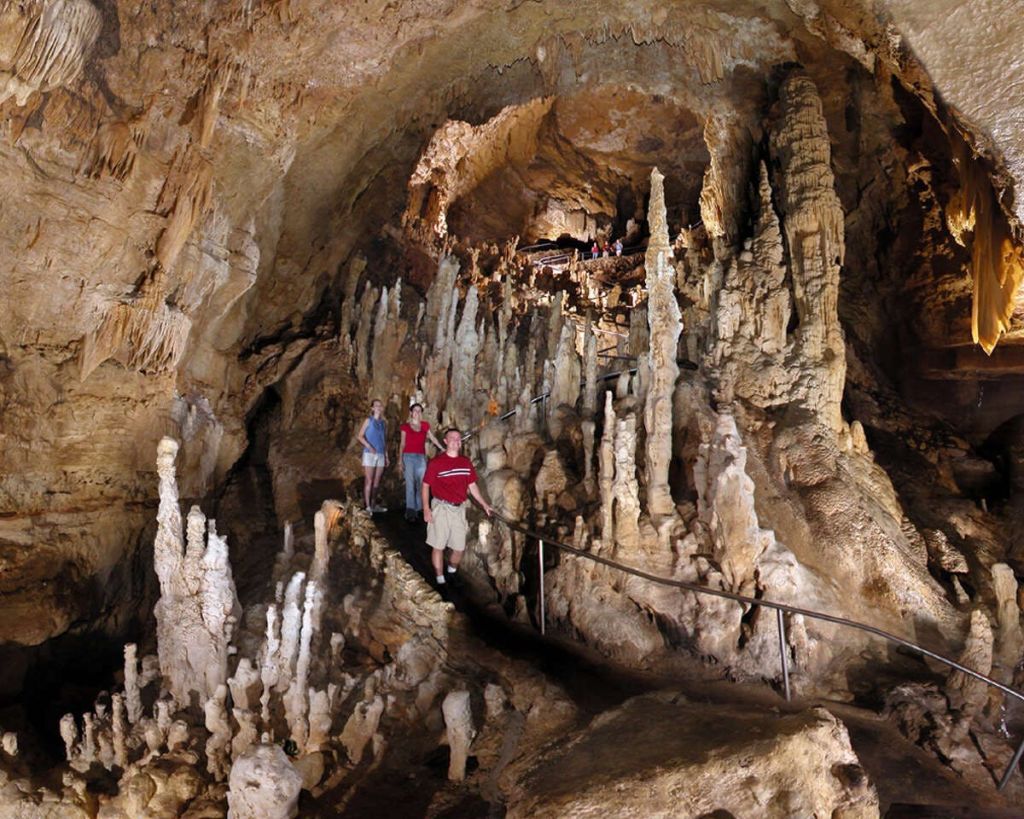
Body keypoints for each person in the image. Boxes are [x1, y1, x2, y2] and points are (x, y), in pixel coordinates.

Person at [422, 428, 492, 585]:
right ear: (445, 441)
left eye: (458, 438)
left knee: (459, 547)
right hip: (441, 507)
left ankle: (451, 571)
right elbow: (425, 485)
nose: (456, 441)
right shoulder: (436, 463)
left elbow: (472, 486)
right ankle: (440, 578)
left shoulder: (465, 463)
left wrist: (484, 504)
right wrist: (426, 508)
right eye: (452, 438)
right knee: (438, 545)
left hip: (459, 509)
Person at [399, 403, 442, 522]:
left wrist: (442, 448)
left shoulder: (425, 425)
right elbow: (402, 444)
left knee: (422, 484)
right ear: (411, 413)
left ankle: (420, 508)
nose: (417, 413)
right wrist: (400, 460)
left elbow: (432, 438)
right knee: (410, 483)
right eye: (415, 410)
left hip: (421, 457)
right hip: (408, 457)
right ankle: (410, 510)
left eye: (419, 411)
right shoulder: (405, 427)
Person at [356, 399, 388, 513]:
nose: (378, 407)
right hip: (369, 454)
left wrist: (386, 455)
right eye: (376, 405)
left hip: (380, 454)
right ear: (372, 408)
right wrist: (369, 447)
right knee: (369, 480)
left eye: (380, 405)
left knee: (377, 481)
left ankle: (374, 505)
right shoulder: (368, 420)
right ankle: (368, 506)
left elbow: (384, 441)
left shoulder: (383, 423)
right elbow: (360, 436)